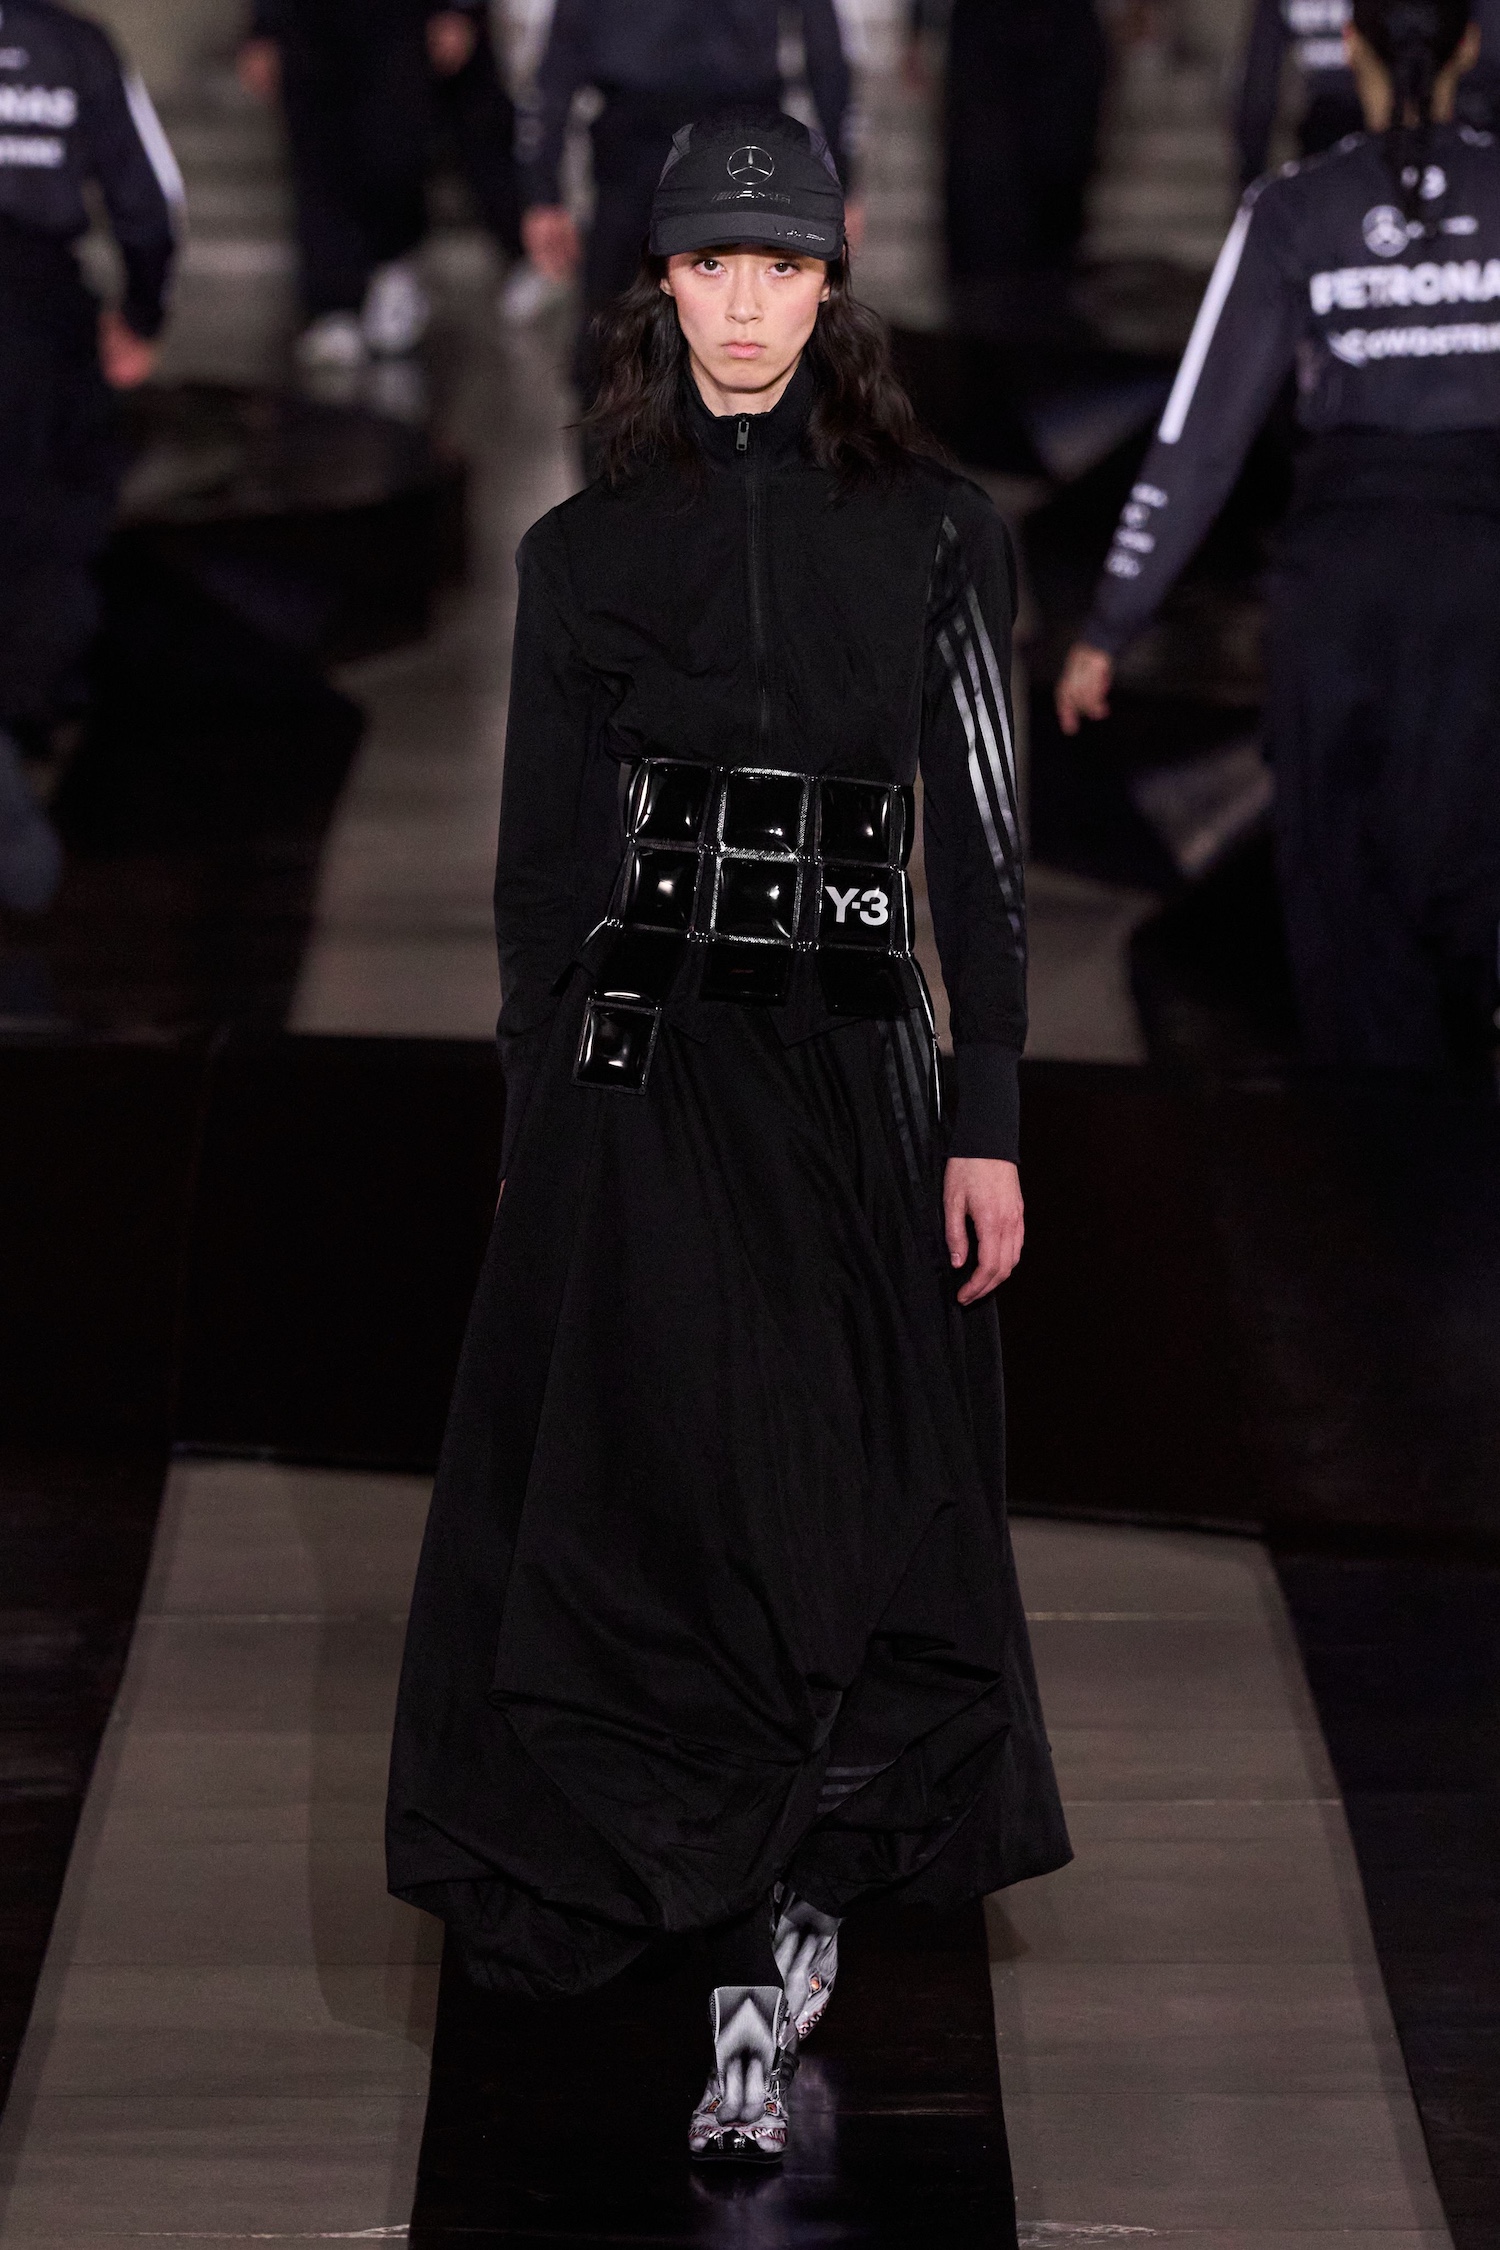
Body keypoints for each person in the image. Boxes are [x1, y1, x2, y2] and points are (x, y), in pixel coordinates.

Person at [387, 107, 1069, 2175]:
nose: (748, 304)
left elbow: (985, 855)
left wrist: (986, 1120)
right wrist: (537, 1118)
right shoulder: (584, 554)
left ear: (832, 279)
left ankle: (787, 1893)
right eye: (713, 265)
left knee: (845, 1501)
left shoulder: (938, 535)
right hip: (646, 1082)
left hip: (856, 1079)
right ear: (663, 281)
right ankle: (742, 1952)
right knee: (669, 1505)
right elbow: (539, 878)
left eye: (781, 266)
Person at [1058, 0, 1500, 1075]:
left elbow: (1199, 440)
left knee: (1349, 914)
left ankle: (1380, 1158)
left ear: (1346, 45)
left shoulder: (1294, 206)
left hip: (1339, 595)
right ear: (1472, 44)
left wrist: (1110, 624)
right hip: (1484, 585)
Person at [0, 0, 180, 912]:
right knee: (48, 528)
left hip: (38, 314)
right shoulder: (73, 46)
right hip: (38, 318)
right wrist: (142, 311)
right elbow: (149, 201)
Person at [517, 0, 855, 394]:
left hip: (735, 147)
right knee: (615, 351)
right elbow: (561, 53)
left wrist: (842, 182)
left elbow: (822, 45)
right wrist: (542, 190)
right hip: (641, 147)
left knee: (748, 338)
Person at [237, 0, 503, 367]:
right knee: (319, 160)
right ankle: (335, 304)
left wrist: (457, 10)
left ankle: (393, 264)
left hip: (397, 20)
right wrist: (263, 29)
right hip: (311, 24)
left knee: (394, 146)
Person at [909, 0, 1109, 339]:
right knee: (983, 201)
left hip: (1061, 35)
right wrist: (918, 26)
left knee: (1057, 192)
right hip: (987, 36)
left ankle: (1047, 330)